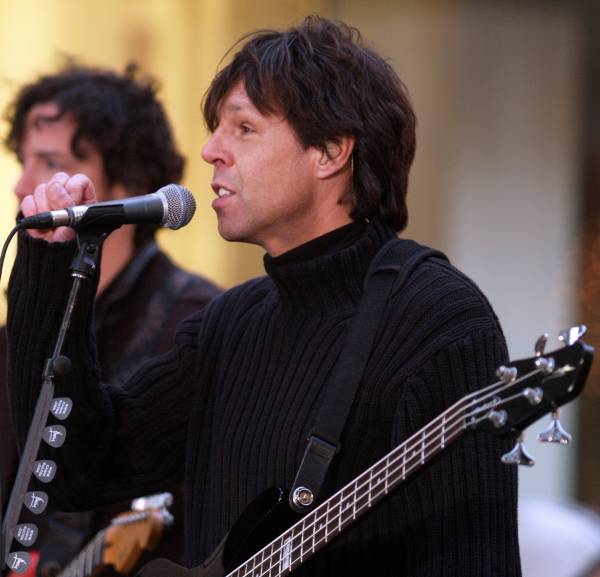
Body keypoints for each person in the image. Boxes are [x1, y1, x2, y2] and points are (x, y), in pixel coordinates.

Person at [6, 17, 521, 576]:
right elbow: (80, 465)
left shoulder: (439, 321)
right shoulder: (232, 325)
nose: (209, 152)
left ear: (330, 152)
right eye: (216, 130)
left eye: (244, 129)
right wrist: (49, 265)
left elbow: (475, 558)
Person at [1, 63, 221, 576]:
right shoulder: (17, 334)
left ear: (127, 184)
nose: (22, 185)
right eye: (23, 160)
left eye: (50, 162)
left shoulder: (199, 323)